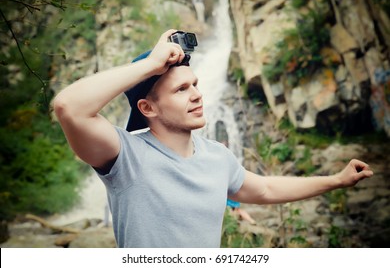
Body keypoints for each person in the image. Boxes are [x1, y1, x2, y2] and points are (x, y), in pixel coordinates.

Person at [53, 29, 374, 248]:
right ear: (147, 107)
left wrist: (337, 180)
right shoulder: (125, 156)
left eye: (194, 85)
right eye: (181, 89)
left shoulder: (217, 157)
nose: (196, 95)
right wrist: (151, 64)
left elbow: (265, 188)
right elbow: (70, 107)